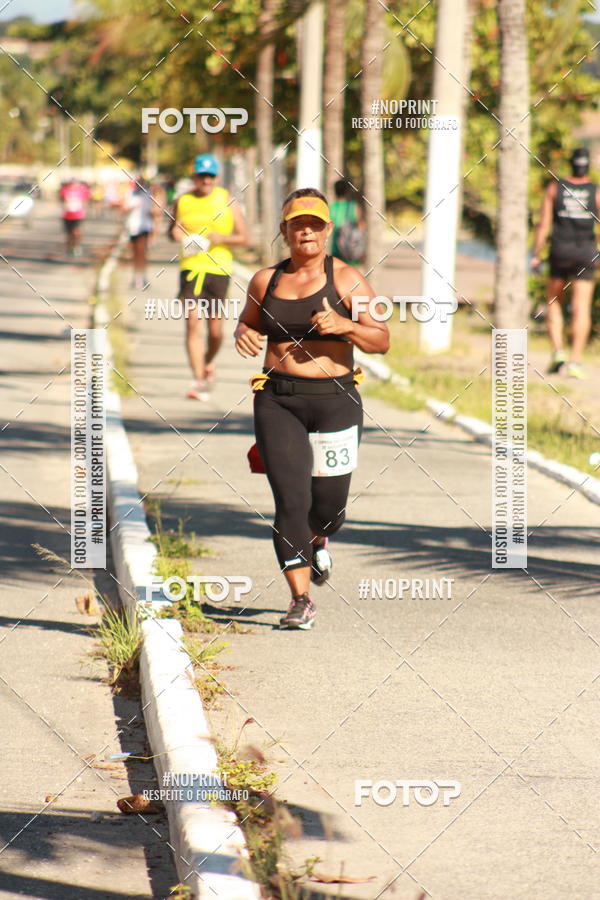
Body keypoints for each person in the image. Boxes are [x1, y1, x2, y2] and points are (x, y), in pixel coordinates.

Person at [234, 188, 389, 630]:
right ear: (284, 230)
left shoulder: (349, 280)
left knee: (328, 508)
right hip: (278, 399)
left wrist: (346, 326)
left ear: (327, 230)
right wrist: (242, 332)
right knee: (291, 501)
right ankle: (300, 599)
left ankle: (318, 536)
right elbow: (249, 318)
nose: (306, 231)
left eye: (315, 224)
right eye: (297, 224)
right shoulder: (266, 280)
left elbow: (381, 339)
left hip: (335, 401)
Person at [169, 153, 248, 400]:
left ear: (217, 177)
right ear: (194, 176)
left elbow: (245, 238)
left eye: (210, 176)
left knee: (215, 332)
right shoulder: (183, 200)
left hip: (218, 270)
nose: (206, 180)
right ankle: (199, 380)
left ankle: (207, 363)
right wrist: (178, 234)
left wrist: (222, 239)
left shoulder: (227, 201)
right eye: (202, 176)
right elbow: (173, 229)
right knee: (193, 325)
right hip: (191, 269)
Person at [532, 147, 599, 379]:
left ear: (570, 164)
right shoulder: (596, 192)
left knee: (554, 302)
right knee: (582, 307)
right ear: (587, 166)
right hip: (585, 254)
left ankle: (558, 352)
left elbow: (543, 225)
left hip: (560, 253)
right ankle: (576, 362)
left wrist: (536, 253)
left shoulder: (555, 188)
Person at [123, 178, 158, 289]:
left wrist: (154, 229)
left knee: (142, 252)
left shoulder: (149, 194)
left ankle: (142, 277)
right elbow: (124, 208)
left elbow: (154, 211)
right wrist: (132, 206)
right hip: (133, 226)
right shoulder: (130, 194)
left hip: (145, 226)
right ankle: (136, 277)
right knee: (135, 253)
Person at [330, 179, 365, 265]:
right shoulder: (353, 206)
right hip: (350, 250)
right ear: (347, 191)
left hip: (335, 249)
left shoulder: (330, 207)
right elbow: (361, 227)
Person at [59, 178, 90, 256]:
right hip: (67, 215)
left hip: (78, 215)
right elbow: (61, 199)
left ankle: (77, 246)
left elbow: (86, 200)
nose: (73, 185)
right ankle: (69, 246)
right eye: (72, 183)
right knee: (69, 233)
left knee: (76, 232)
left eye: (75, 183)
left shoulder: (82, 190)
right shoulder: (65, 190)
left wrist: (84, 209)